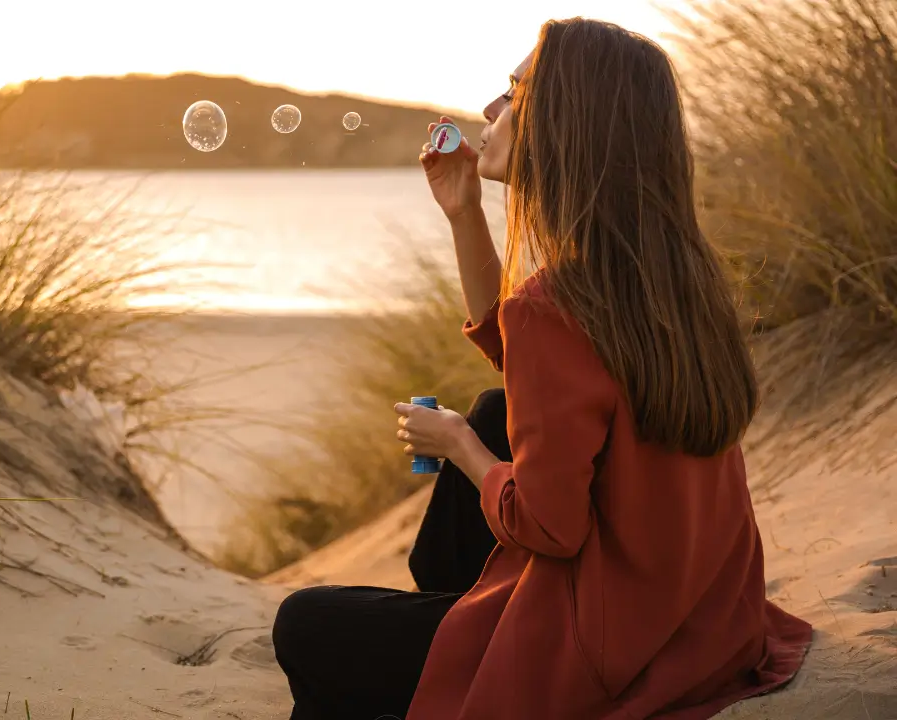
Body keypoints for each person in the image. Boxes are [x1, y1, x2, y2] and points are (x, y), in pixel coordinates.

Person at [271, 17, 814, 720]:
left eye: (513, 93)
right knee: (500, 407)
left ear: (564, 123)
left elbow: (550, 528)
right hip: (703, 627)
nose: (490, 111)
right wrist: (466, 214)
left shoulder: (554, 306)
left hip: (598, 646)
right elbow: (538, 373)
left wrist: (458, 446)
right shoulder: (680, 278)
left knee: (305, 624)